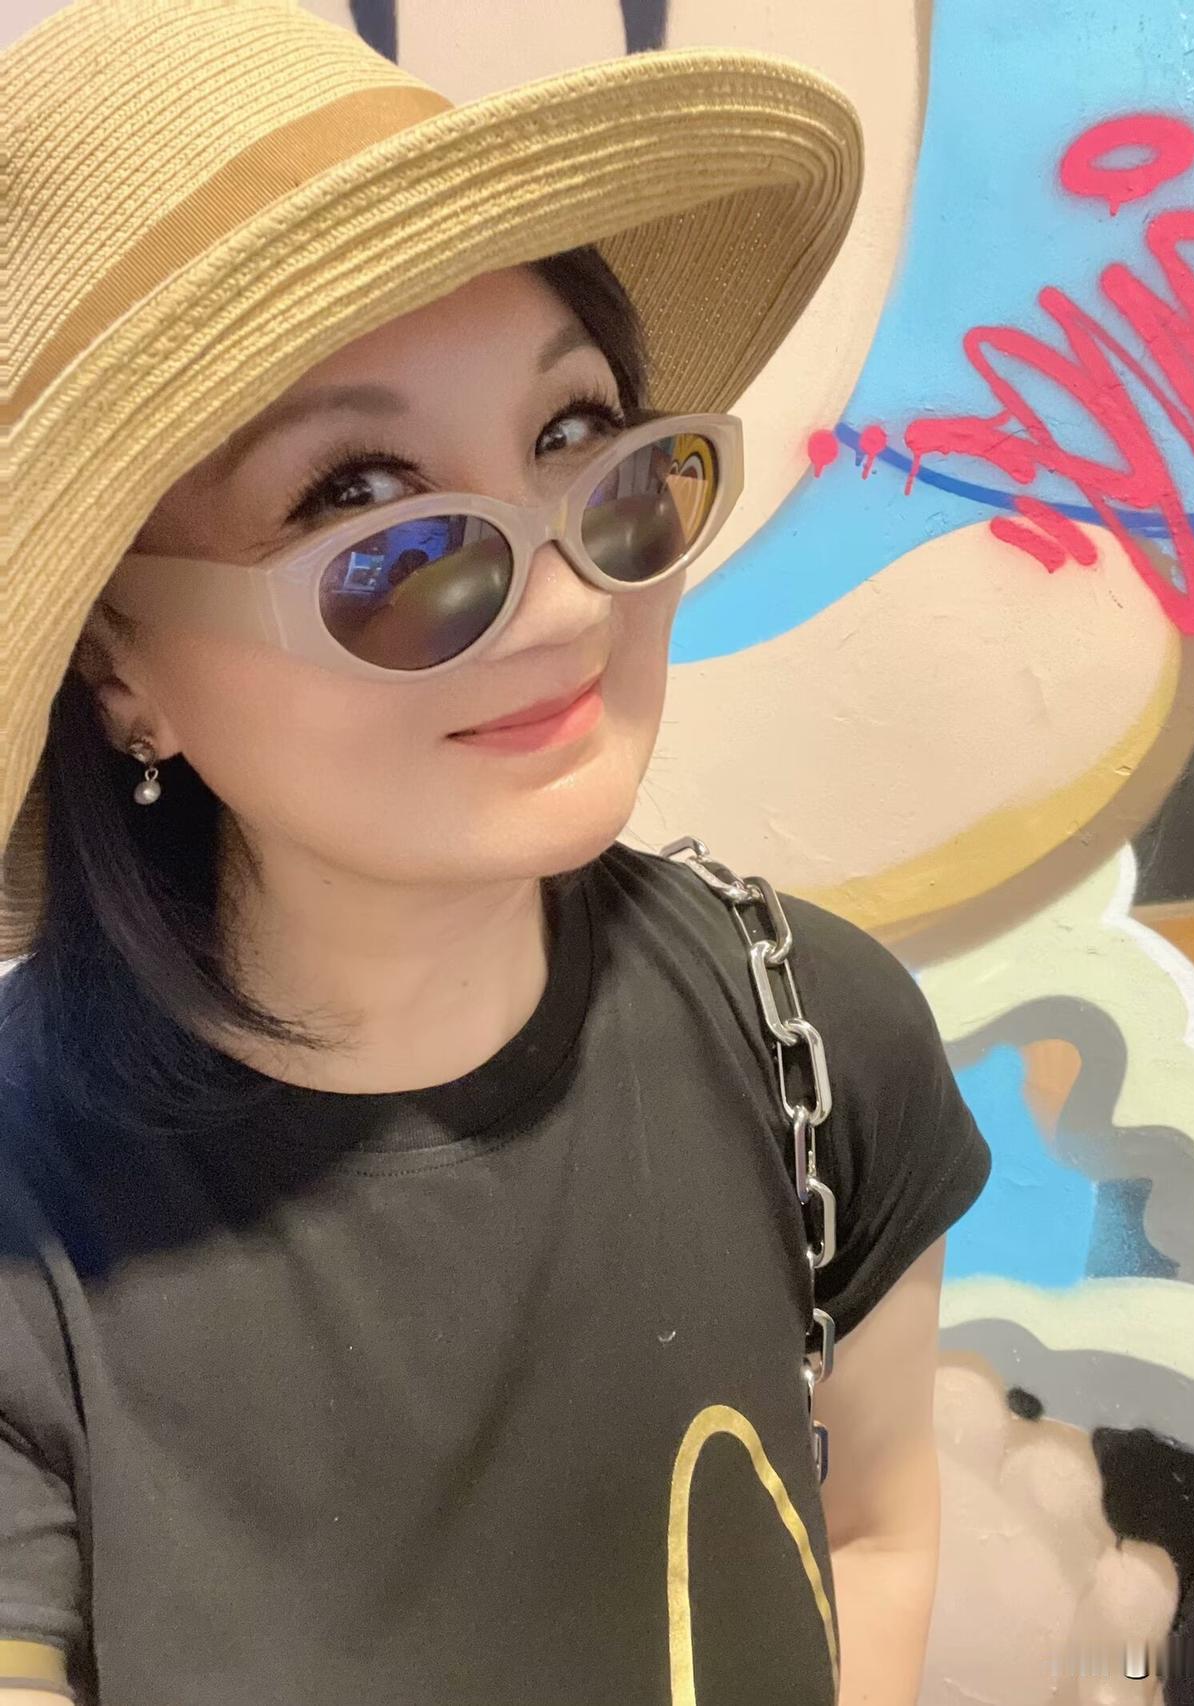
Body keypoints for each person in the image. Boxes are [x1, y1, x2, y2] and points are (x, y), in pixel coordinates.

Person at [0, 3, 992, 1702]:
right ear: (117, 665)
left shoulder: (817, 1037)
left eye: (576, 438)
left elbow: (875, 1531)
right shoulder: (30, 1229)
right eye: (360, 505)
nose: (562, 598)